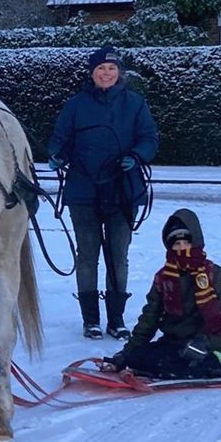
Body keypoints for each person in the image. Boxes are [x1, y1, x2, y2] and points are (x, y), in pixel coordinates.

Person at [47, 45, 158, 340]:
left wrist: (136, 156)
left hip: (123, 190)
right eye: (100, 69)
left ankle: (117, 319)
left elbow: (149, 138)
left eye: (111, 69)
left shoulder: (135, 104)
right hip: (83, 191)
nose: (106, 73)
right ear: (92, 73)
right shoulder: (76, 105)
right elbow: (60, 139)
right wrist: (57, 154)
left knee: (117, 255)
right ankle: (91, 320)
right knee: (87, 255)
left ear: (119, 72)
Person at [107, 208, 221, 380]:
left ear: (195, 242)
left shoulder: (214, 274)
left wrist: (204, 342)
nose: (182, 248)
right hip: (174, 341)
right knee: (139, 357)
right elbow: (150, 317)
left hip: (205, 342)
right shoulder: (164, 277)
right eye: (176, 244)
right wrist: (127, 353)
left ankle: (217, 363)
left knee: (179, 362)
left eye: (186, 243)